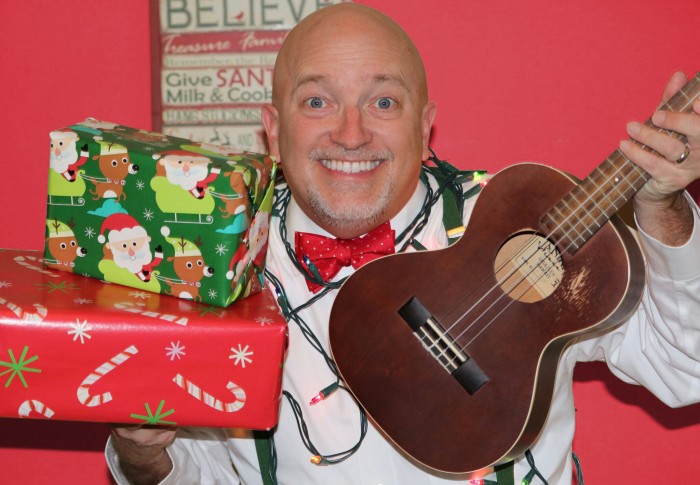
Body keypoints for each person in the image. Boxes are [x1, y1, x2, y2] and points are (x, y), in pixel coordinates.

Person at [106, 3, 700, 484]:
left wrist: (664, 208)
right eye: (317, 102)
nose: (351, 134)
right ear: (274, 130)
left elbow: (684, 369)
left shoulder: (516, 220)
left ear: (424, 125)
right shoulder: (215, 263)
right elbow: (199, 472)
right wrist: (143, 455)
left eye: (383, 102)